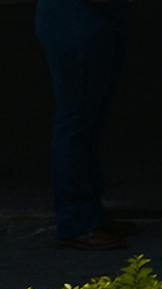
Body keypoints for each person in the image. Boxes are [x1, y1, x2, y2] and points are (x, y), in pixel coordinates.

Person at [35, 0, 132, 250]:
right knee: (78, 119)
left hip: (96, 12)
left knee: (89, 119)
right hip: (78, 12)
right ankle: (77, 222)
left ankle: (90, 215)